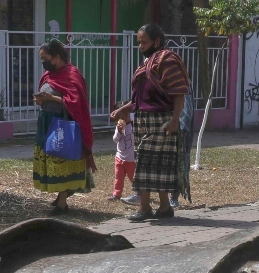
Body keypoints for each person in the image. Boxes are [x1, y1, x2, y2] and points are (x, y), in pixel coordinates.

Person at [110, 24, 191, 222]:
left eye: (144, 42)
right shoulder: (146, 64)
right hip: (143, 119)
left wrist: (174, 121)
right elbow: (140, 99)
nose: (140, 46)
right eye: (139, 42)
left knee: (145, 162)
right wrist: (123, 110)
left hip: (162, 120)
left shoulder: (168, 60)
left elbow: (179, 93)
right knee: (158, 164)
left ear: (156, 41)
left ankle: (144, 207)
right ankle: (164, 207)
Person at [33, 39, 95, 215]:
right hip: (46, 123)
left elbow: (77, 103)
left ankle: (62, 203)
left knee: (61, 160)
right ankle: (61, 197)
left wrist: (51, 99)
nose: (43, 62)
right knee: (51, 161)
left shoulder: (72, 75)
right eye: (41, 59)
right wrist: (41, 100)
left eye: (45, 58)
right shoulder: (48, 75)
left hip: (62, 126)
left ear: (57, 57)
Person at [112, 102, 136, 200]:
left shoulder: (134, 126)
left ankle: (139, 193)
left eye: (126, 114)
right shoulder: (119, 127)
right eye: (121, 115)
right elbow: (115, 140)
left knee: (133, 178)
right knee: (118, 177)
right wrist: (119, 132)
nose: (124, 117)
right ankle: (116, 194)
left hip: (131, 159)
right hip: (119, 157)